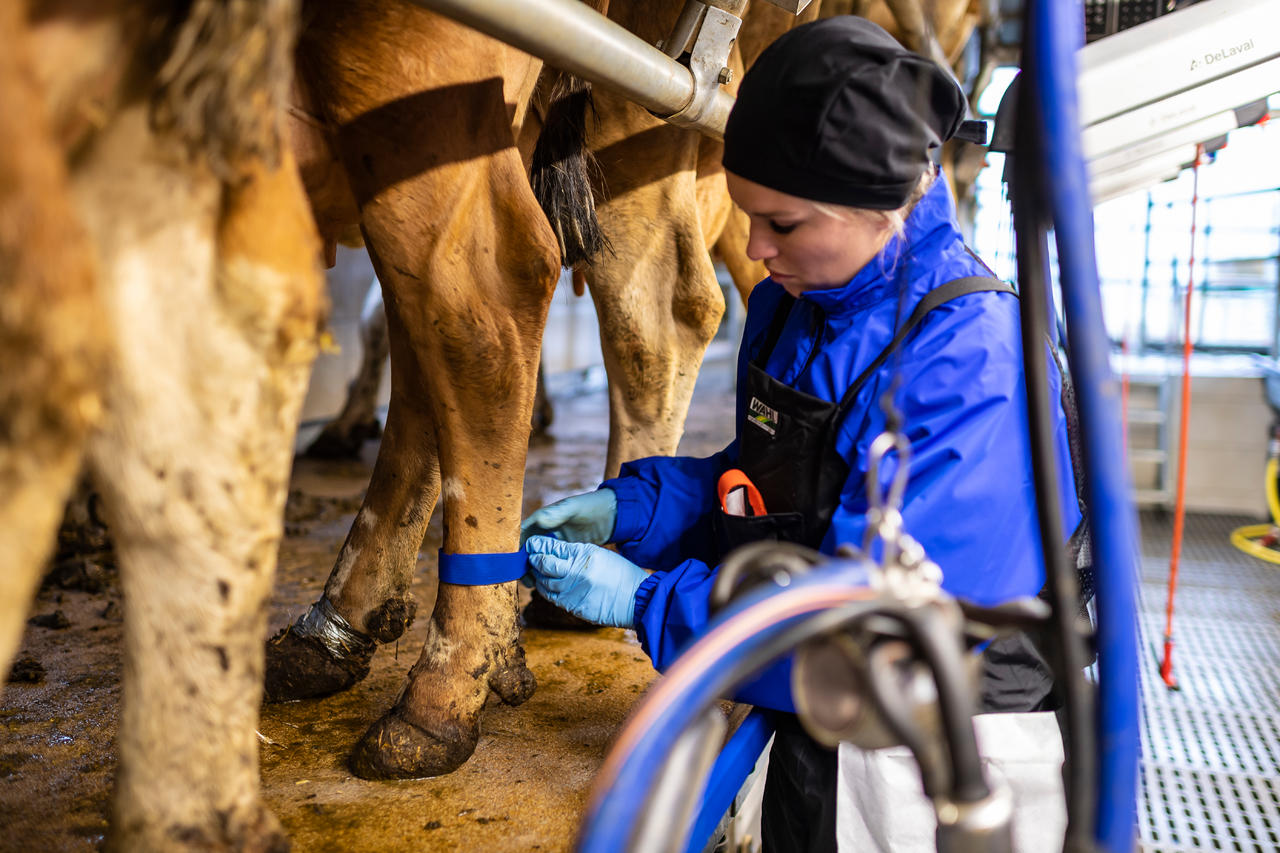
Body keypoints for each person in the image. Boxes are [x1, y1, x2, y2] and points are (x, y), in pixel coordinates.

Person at [521, 15, 1081, 853]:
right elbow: (783, 486)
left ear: (884, 205)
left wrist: (646, 600)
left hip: (930, 765)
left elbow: (872, 646)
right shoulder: (798, 298)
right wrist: (639, 509)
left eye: (782, 224)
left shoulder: (971, 365)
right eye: (748, 215)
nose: (752, 249)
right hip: (811, 737)